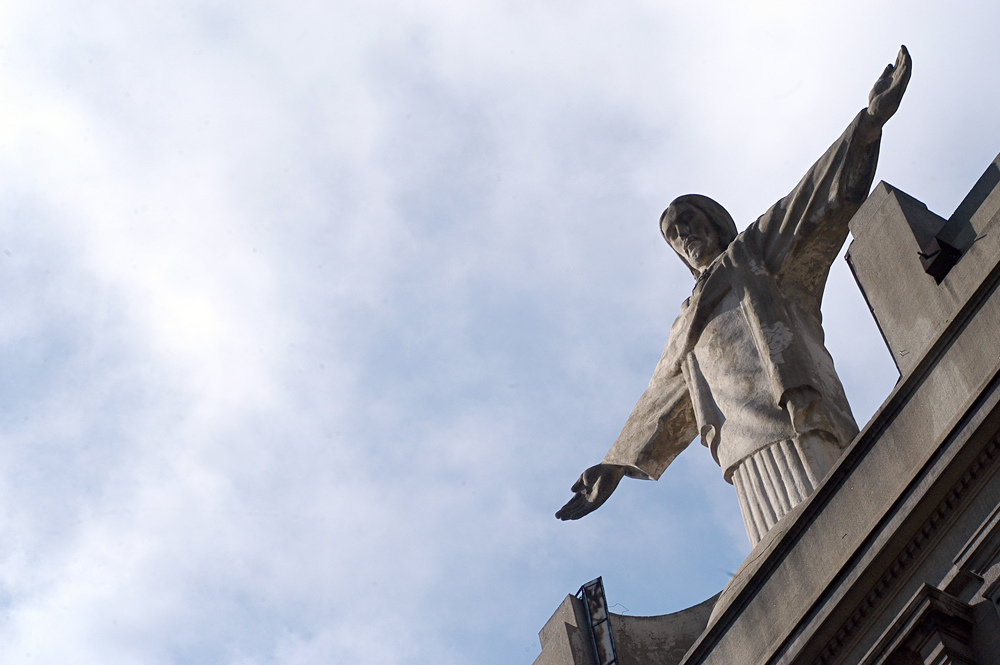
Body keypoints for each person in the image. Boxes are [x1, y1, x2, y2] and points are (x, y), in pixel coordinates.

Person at [556, 47, 912, 546]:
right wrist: (614, 465)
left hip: (795, 409)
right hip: (740, 442)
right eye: (674, 234)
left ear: (714, 224)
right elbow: (660, 397)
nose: (684, 235)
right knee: (781, 546)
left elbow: (809, 199)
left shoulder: (752, 252)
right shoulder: (685, 321)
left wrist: (869, 123)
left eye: (690, 222)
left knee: (843, 518)